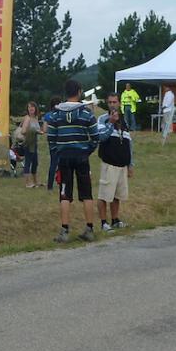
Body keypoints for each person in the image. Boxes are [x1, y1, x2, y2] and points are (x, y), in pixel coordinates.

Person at [44, 79, 99, 243]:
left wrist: (58, 152)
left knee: (65, 194)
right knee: (87, 193)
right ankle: (89, 229)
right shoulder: (86, 114)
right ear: (80, 91)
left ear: (65, 93)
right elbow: (95, 138)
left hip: (64, 158)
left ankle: (65, 231)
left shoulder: (55, 115)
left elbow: (51, 139)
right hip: (82, 157)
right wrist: (87, 151)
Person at [97, 107, 133, 231]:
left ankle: (115, 220)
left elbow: (129, 144)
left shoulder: (124, 124)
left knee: (117, 195)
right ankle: (103, 222)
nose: (115, 113)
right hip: (110, 164)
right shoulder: (103, 121)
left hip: (122, 165)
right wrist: (111, 123)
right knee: (104, 194)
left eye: (117, 110)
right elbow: (101, 138)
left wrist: (130, 164)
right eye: (113, 111)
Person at [17, 102, 43, 188]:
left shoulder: (35, 118)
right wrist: (34, 131)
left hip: (34, 142)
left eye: (32, 107)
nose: (31, 108)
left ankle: (35, 181)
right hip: (28, 142)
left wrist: (39, 132)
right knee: (28, 162)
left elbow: (38, 129)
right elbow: (23, 131)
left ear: (35, 108)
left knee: (35, 162)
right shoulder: (27, 118)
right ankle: (27, 183)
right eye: (29, 107)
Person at [43, 95, 62, 196]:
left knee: (53, 164)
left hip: (51, 142)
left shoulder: (48, 115)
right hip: (61, 141)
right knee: (62, 164)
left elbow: (45, 129)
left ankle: (50, 186)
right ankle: (61, 183)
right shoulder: (61, 114)